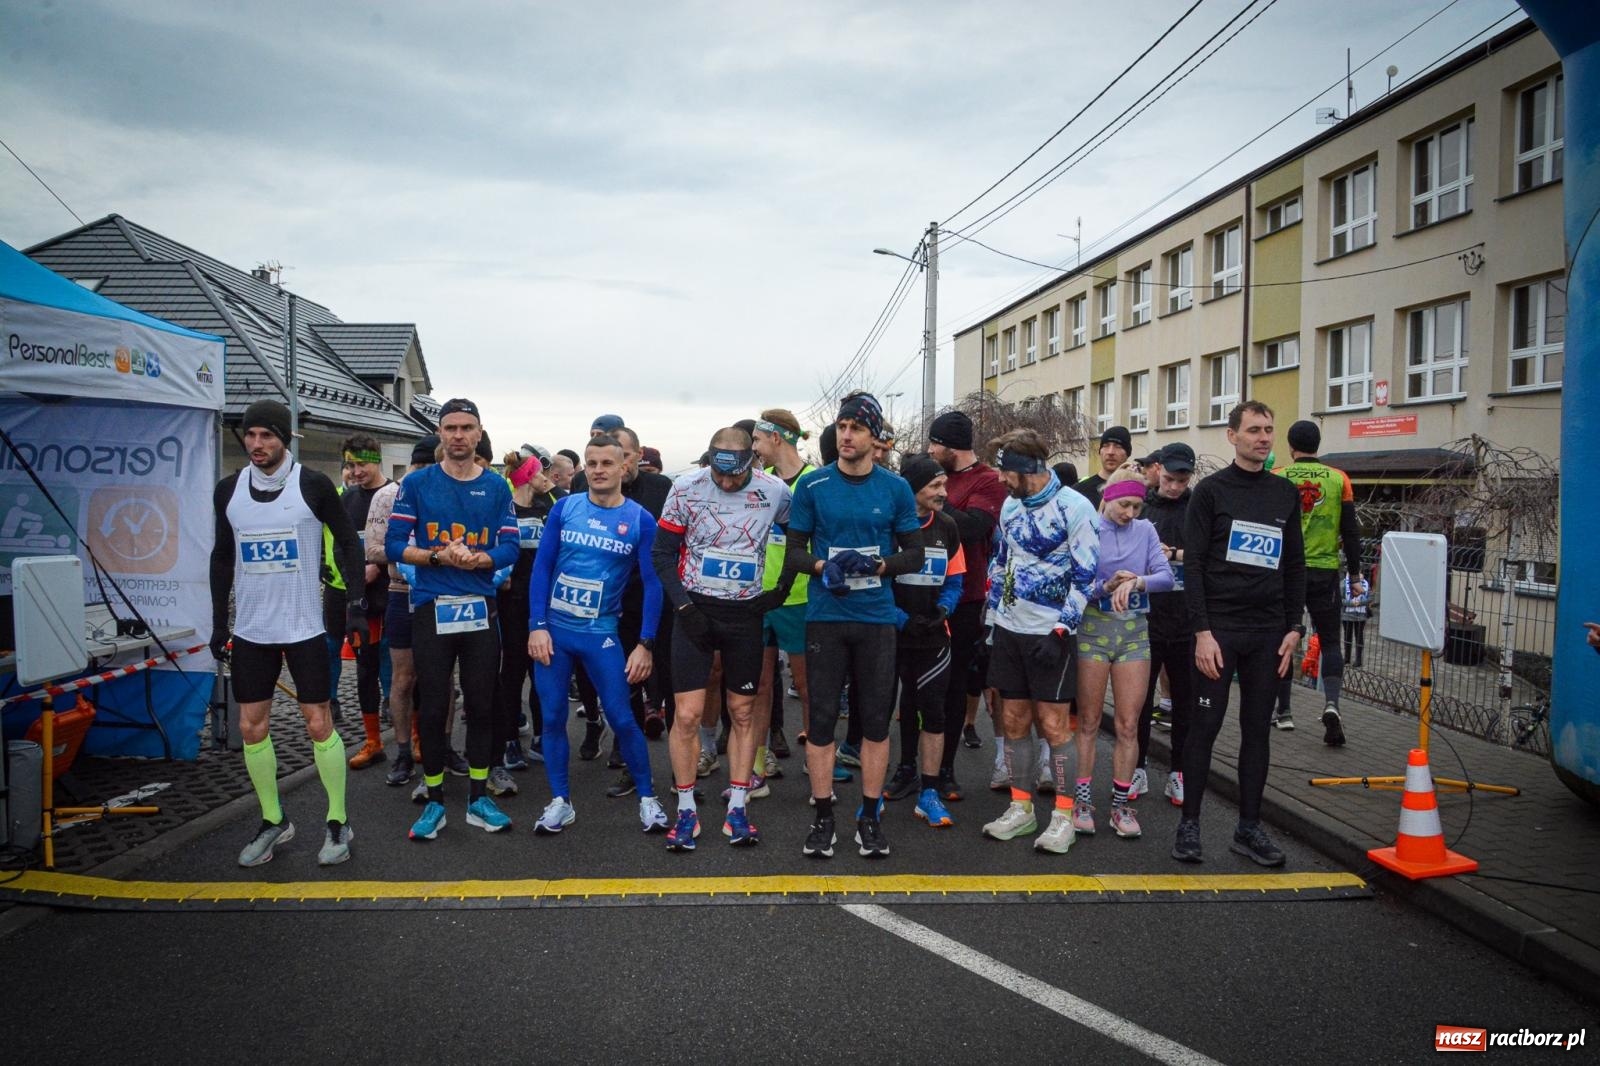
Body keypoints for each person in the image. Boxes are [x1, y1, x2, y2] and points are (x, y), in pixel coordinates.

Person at [210, 398, 365, 867]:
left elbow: (349, 543)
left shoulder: (312, 485)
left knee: (318, 723)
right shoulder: (229, 490)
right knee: (251, 726)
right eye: (250, 435)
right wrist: (218, 622)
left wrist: (356, 604)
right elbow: (222, 556)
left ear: (285, 439)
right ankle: (273, 819)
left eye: (267, 435)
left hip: (303, 627)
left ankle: (337, 821)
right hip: (253, 629)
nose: (256, 444)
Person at [784, 392, 925, 859]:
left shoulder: (895, 488)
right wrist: (823, 567)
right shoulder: (813, 485)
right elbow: (795, 551)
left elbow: (915, 554)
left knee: (876, 723)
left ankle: (869, 817)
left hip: (876, 619)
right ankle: (824, 817)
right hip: (826, 616)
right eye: (842, 427)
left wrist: (879, 566)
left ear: (875, 437)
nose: (846, 435)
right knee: (822, 720)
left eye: (856, 428)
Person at [1173, 400, 1306, 867]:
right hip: (1220, 631)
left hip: (1267, 633)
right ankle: (1189, 824)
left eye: (1269, 429)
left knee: (1257, 732)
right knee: (1204, 727)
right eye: (1253, 430)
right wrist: (1202, 632)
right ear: (1232, 436)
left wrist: (1295, 627)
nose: (1263, 437)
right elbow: (1193, 564)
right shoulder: (1210, 492)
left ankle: (1248, 828)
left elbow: (1294, 564)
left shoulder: (1284, 493)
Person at [385, 398, 521, 841]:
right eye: (450, 428)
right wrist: (436, 556)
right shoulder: (417, 483)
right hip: (432, 606)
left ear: (479, 433)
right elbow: (393, 544)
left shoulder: (497, 487)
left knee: (482, 704)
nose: (458, 435)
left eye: (466, 428)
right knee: (434, 704)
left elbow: (511, 547)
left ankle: (479, 796)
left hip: (480, 608)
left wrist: (482, 559)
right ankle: (436, 800)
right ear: (440, 433)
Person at [653, 428, 791, 850]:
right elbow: (662, 553)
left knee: (743, 712)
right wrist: (683, 607)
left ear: (753, 460)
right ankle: (686, 810)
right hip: (694, 610)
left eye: (736, 475)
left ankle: (738, 808)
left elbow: (801, 538)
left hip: (744, 614)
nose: (727, 483)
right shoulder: (686, 487)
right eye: (719, 474)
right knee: (687, 714)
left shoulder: (775, 491)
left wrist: (780, 590)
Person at [526, 433, 669, 836]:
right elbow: (542, 568)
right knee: (553, 716)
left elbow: (653, 584)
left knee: (622, 717)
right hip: (555, 631)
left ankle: (648, 798)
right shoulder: (565, 508)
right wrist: (537, 625)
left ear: (625, 466)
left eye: (607, 463)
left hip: (601, 632)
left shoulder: (640, 519)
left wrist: (645, 644)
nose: (598, 470)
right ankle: (560, 801)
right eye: (591, 463)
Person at [978, 429, 1099, 854]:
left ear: (1026, 468)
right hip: (1010, 628)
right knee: (1013, 721)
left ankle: (1063, 817)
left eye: (1005, 471)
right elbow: (1001, 562)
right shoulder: (1011, 505)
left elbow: (1087, 577)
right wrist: (991, 624)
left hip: (1052, 634)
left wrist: (1062, 630)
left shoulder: (1075, 507)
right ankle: (1021, 808)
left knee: (1053, 725)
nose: (1000, 479)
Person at [1072, 470, 1173, 839]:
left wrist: (1137, 582)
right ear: (1108, 498)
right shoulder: (1088, 528)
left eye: (1137, 506)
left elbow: (1166, 577)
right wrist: (1106, 586)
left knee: (1129, 725)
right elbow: (1076, 583)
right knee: (1088, 721)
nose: (1130, 513)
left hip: (1134, 634)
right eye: (1124, 505)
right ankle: (1082, 802)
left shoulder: (1145, 531)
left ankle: (1120, 806)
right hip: (1093, 631)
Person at [925, 410, 1008, 801]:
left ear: (951, 446)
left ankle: (946, 769)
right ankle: (914, 766)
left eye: (935, 443)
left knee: (955, 684)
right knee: (919, 685)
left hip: (965, 596)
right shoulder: (935, 473)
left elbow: (974, 528)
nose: (930, 450)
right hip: (920, 592)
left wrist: (931, 497)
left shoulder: (987, 480)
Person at [885, 455, 965, 829]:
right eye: (935, 486)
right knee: (899, 704)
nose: (943, 493)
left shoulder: (947, 526)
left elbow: (955, 579)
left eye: (944, 485)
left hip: (934, 634)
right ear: (913, 489)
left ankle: (929, 791)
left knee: (932, 708)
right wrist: (902, 619)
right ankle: (905, 770)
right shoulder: (890, 526)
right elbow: (877, 582)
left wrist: (944, 609)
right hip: (893, 633)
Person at [1275, 421, 1366, 744]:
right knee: (1330, 642)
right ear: (1318, 445)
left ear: (1291, 446)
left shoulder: (1278, 476)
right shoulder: (1339, 479)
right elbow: (1351, 532)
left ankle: (1284, 712)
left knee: (1284, 638)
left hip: (1287, 571)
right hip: (1325, 572)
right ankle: (1331, 704)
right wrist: (1354, 575)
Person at [363, 433, 437, 786]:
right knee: (403, 678)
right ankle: (403, 751)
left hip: (440, 593)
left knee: (440, 678)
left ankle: (437, 748)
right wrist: (419, 556)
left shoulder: (444, 491)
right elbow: (373, 549)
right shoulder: (388, 495)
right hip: (401, 591)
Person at [491, 446, 560, 791]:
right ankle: (508, 740)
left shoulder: (548, 509)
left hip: (543, 603)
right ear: (527, 477)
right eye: (540, 472)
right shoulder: (505, 511)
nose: (546, 478)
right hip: (512, 603)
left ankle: (541, 736)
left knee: (542, 670)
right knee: (513, 672)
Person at [751, 408, 814, 763]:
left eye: (758, 440)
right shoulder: (762, 481)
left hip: (799, 597)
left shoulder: (814, 480)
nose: (754, 447)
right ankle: (759, 763)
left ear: (776, 438)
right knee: (760, 686)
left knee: (806, 686)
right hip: (761, 597)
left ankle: (816, 762)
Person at [1136, 442, 1197, 808]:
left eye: (1182, 480)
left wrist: (1173, 554)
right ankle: (1137, 766)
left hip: (1187, 621)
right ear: (1158, 470)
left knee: (1185, 704)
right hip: (1146, 619)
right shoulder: (1142, 507)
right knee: (1139, 702)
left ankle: (1179, 773)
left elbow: (1209, 554)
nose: (1174, 487)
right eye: (1170, 479)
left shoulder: (1197, 508)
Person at [338, 434, 393, 771]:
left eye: (362, 464)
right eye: (351, 465)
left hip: (396, 596)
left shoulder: (395, 494)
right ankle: (373, 741)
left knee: (404, 672)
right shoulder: (347, 500)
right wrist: (356, 579)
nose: (356, 471)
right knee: (365, 671)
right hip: (363, 601)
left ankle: (415, 738)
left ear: (377, 460)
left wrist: (380, 567)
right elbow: (340, 548)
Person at [1074, 425, 1132, 509]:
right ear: (1100, 451)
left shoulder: (1137, 490)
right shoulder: (1080, 491)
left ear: (1127, 453)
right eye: (1106, 446)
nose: (1110, 452)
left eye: (1118, 446)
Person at [1341, 568, 1372, 669]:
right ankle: (1347, 658)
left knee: (1359, 637)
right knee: (1347, 636)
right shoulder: (1343, 583)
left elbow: (1370, 598)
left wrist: (1360, 602)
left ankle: (1358, 659)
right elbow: (1340, 599)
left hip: (1360, 615)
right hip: (1346, 615)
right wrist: (1351, 603)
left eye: (1358, 572)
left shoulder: (1365, 583)